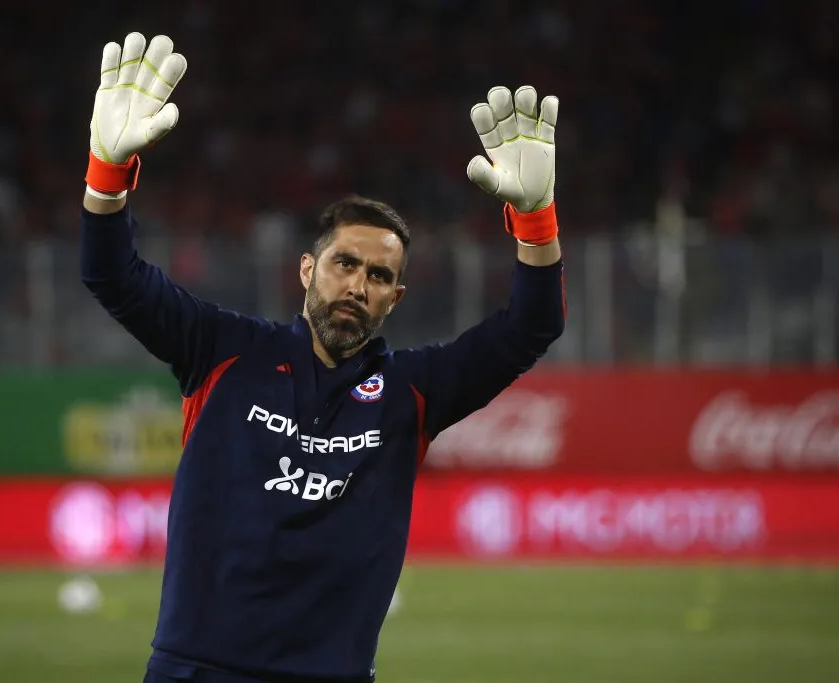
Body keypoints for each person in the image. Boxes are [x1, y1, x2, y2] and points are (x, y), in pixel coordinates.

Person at [81, 32, 565, 683]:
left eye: (376, 275)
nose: (356, 285)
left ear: (395, 296)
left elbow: (532, 324)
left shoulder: (412, 390)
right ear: (307, 269)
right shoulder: (222, 349)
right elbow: (113, 275)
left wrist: (536, 218)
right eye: (344, 263)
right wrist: (106, 172)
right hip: (196, 671)